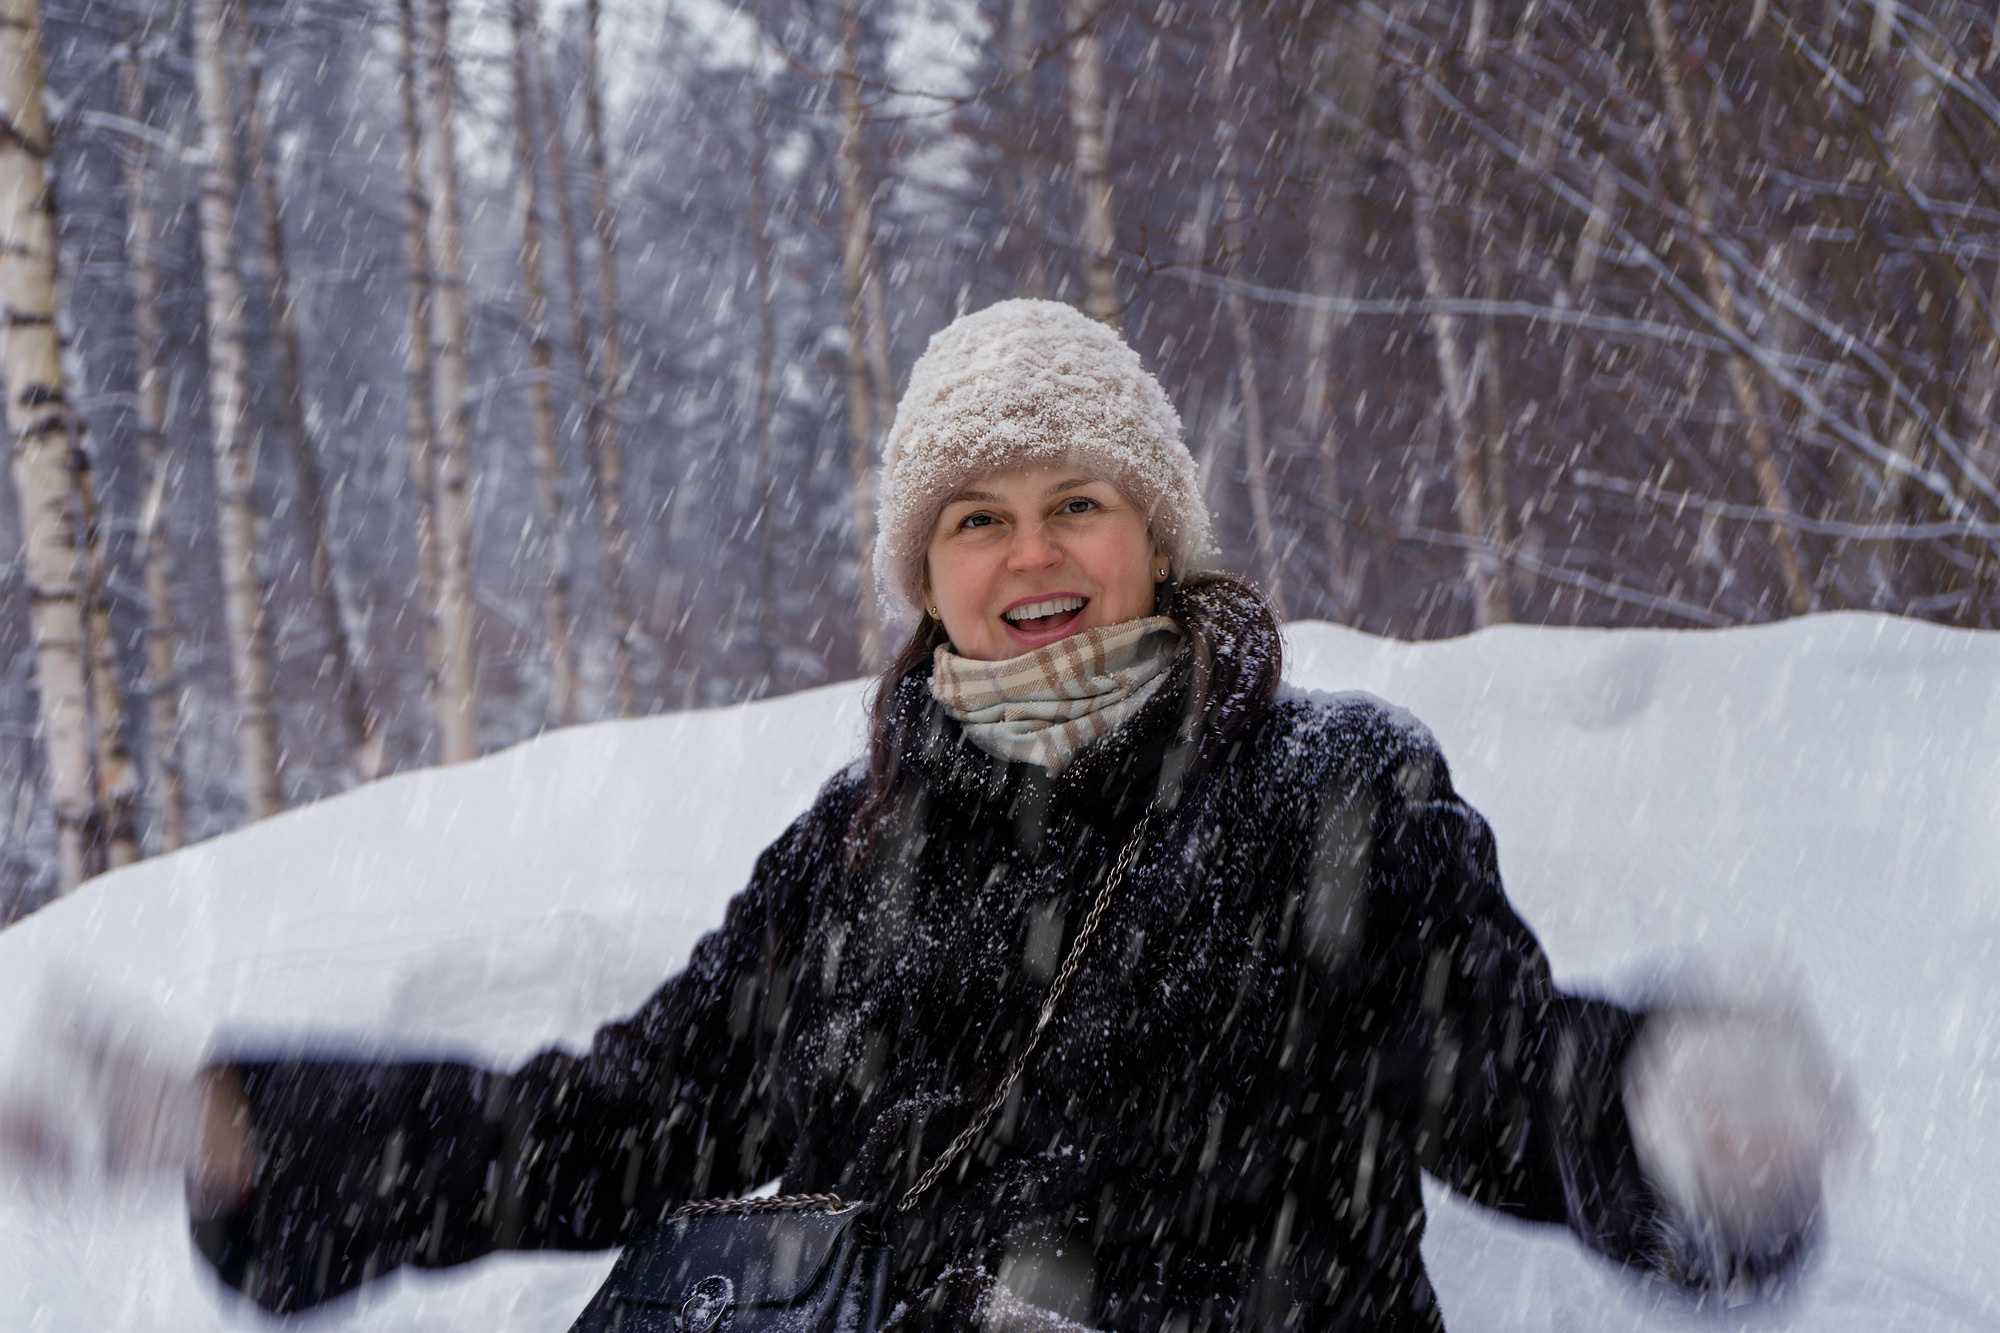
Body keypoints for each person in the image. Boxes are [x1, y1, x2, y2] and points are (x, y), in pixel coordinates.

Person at [3, 300, 1849, 1331]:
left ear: (1156, 539)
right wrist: (263, 1133)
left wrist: (1673, 1121)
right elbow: (637, 1119)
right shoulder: (859, 844)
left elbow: (1502, 1077)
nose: (1031, 550)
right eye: (977, 515)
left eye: (1077, 502)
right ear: (928, 569)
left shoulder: (1326, 792)